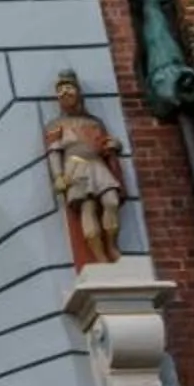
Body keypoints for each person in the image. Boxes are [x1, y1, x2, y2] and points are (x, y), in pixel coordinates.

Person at [43, 69, 126, 265]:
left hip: (97, 163)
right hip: (75, 166)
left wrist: (115, 145)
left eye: (69, 88)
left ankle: (112, 246)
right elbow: (54, 151)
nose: (65, 93)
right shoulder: (56, 124)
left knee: (111, 201)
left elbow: (105, 143)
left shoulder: (94, 121)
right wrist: (58, 176)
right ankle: (99, 256)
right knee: (87, 207)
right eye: (61, 89)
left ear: (78, 92)